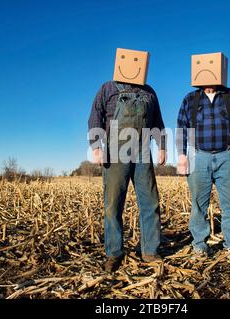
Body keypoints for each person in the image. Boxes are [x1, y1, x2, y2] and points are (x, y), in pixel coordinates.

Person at [88, 54, 166, 272]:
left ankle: (150, 251)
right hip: (115, 151)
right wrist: (96, 148)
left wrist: (162, 147)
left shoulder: (149, 92)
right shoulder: (108, 88)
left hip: (142, 152)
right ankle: (113, 253)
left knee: (150, 203)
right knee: (113, 204)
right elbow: (95, 117)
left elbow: (158, 122)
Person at [177, 79, 230, 262]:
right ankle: (199, 247)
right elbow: (182, 129)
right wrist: (182, 156)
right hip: (198, 156)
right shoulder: (190, 99)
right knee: (198, 204)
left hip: (227, 155)